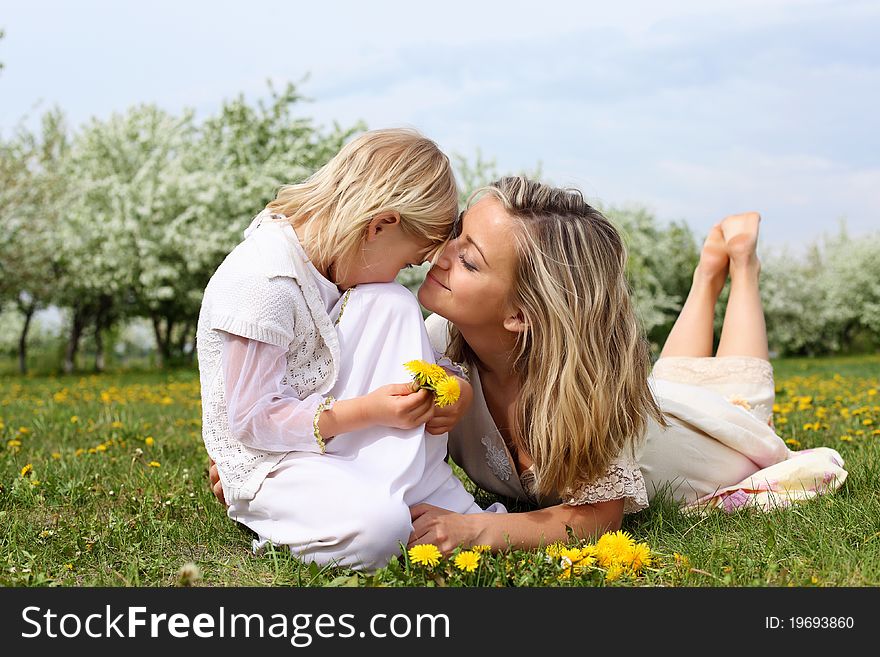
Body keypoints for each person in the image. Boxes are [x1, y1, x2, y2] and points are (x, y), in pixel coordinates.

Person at [407, 177, 845, 553]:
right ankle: (708, 272)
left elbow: (597, 516)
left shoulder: (583, 391)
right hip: (657, 403)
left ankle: (743, 265)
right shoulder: (436, 342)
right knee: (673, 377)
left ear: (521, 314)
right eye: (458, 235)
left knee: (739, 399)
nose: (442, 255)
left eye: (468, 261)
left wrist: (473, 529)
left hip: (702, 441)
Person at [197, 128, 500, 572]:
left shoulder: (333, 268)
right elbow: (253, 422)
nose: (408, 273)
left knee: (391, 301)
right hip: (267, 462)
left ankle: (412, 486)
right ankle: (279, 518)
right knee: (381, 528)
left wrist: (450, 390)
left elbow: (371, 351)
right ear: (381, 225)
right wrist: (371, 411)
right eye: (409, 260)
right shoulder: (264, 283)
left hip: (323, 441)